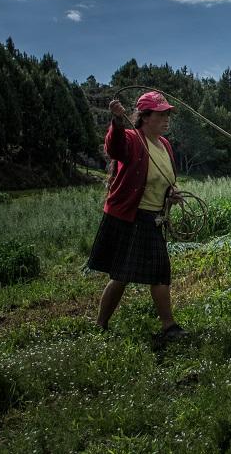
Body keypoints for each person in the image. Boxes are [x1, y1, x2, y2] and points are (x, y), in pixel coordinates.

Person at [88, 91, 187, 339]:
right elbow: (114, 147)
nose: (166, 120)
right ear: (144, 117)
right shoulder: (132, 139)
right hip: (130, 217)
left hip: (152, 217)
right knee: (122, 275)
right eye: (160, 114)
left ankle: (168, 326)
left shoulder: (164, 145)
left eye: (167, 115)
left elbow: (163, 181)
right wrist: (117, 120)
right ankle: (101, 325)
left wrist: (170, 196)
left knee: (158, 270)